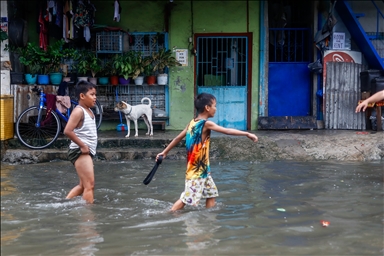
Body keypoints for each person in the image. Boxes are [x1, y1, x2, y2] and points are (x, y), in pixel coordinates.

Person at [156, 93, 258, 211]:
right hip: (196, 172)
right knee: (186, 199)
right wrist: (247, 133)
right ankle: (169, 215)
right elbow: (227, 131)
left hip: (203, 170)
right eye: (214, 106)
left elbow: (177, 138)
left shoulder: (192, 122)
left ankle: (208, 219)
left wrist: (165, 152)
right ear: (207, 108)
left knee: (211, 194)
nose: (216, 108)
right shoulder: (206, 124)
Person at [64, 81, 98, 204]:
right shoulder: (79, 111)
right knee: (90, 185)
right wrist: (83, 146)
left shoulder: (89, 111)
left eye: (95, 94)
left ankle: (65, 203)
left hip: (85, 151)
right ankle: (88, 215)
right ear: (82, 96)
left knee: (84, 185)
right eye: (92, 94)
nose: (95, 97)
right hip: (80, 151)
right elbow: (67, 130)